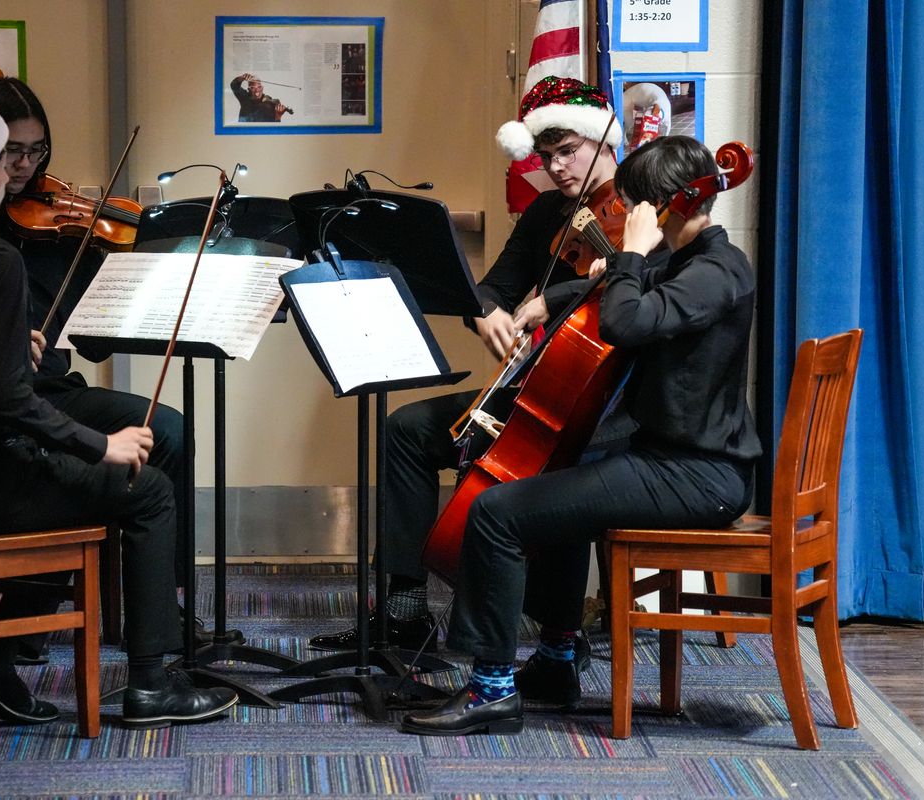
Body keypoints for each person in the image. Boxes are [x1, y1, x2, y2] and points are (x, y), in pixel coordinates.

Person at [0, 92, 238, 728]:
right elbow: (8, 399)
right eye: (4, 160)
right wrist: (103, 446)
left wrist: (12, 342)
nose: (18, 173)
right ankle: (152, 685)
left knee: (126, 459)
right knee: (147, 489)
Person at [399, 134, 762, 735]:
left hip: (698, 476)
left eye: (637, 205)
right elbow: (614, 290)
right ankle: (555, 661)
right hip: (669, 461)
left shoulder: (719, 271)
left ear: (664, 206)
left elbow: (624, 319)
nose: (632, 217)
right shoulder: (692, 261)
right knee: (560, 482)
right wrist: (558, 296)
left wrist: (631, 256)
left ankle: (490, 689)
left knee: (497, 512)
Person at [309, 77, 635, 669]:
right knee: (407, 429)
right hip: (539, 385)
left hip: (605, 403)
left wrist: (554, 294)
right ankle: (405, 608)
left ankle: (556, 632)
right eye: (547, 155)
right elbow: (493, 285)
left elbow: (637, 283)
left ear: (600, 138)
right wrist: (487, 312)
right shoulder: (545, 212)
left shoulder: (640, 204)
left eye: (569, 151)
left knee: (529, 462)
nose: (558, 168)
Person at [0, 77, 242, 657]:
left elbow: (92, 344)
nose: (24, 166)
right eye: (12, 151)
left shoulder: (59, 226)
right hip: (4, 404)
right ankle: (28, 611)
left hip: (53, 392)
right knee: (72, 450)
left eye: (37, 150)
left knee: (166, 429)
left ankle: (164, 605)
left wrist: (112, 263)